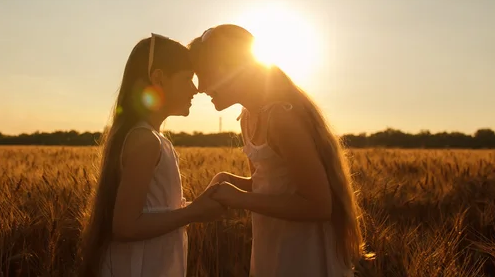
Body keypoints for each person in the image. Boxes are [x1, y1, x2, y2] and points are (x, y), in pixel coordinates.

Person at [188, 24, 363, 277]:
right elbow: (270, 186)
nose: (200, 87)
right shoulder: (249, 118)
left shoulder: (281, 119)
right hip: (273, 242)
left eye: (202, 74)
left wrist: (238, 198)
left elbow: (318, 205)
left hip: (302, 252)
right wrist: (230, 182)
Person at [79, 34, 225, 277]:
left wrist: (197, 206)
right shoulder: (145, 140)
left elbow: (154, 210)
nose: (196, 88)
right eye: (188, 78)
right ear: (158, 78)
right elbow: (125, 226)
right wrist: (194, 213)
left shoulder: (151, 138)